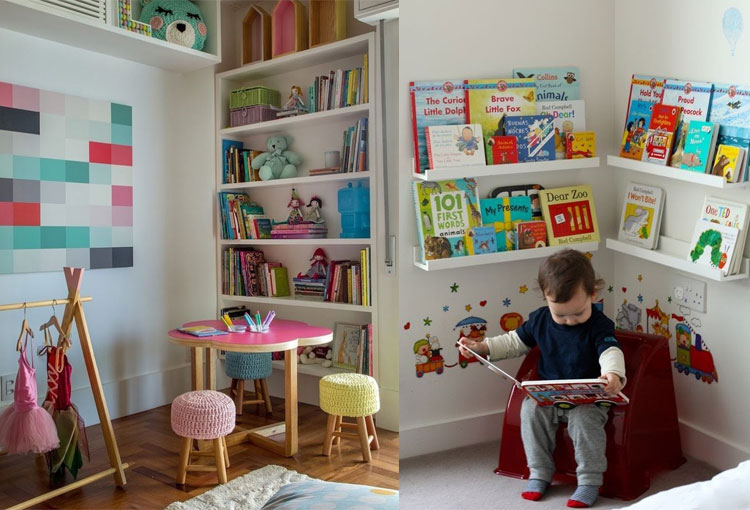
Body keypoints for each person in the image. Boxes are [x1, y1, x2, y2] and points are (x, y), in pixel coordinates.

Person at [459, 249, 625, 509]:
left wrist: (612, 374)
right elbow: (513, 342)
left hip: (587, 400)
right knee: (529, 411)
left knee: (585, 423)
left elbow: (610, 350)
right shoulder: (540, 320)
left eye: (578, 313)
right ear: (546, 297)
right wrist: (481, 348)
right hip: (548, 395)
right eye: (561, 314)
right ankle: (539, 472)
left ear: (593, 294)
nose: (570, 320)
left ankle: (590, 481)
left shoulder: (599, 325)